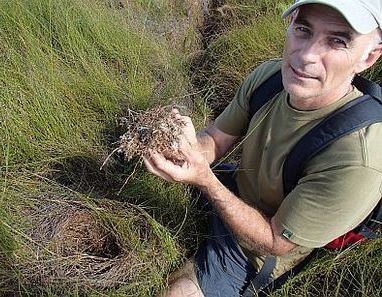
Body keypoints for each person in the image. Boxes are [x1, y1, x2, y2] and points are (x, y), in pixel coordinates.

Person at [142, 0, 382, 296]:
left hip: (258, 249)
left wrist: (204, 179)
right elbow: (217, 137)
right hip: (235, 186)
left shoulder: (358, 157)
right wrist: (183, 148)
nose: (306, 56)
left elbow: (274, 241)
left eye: (337, 41)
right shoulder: (269, 78)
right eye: (304, 30)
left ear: (369, 57)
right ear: (291, 23)